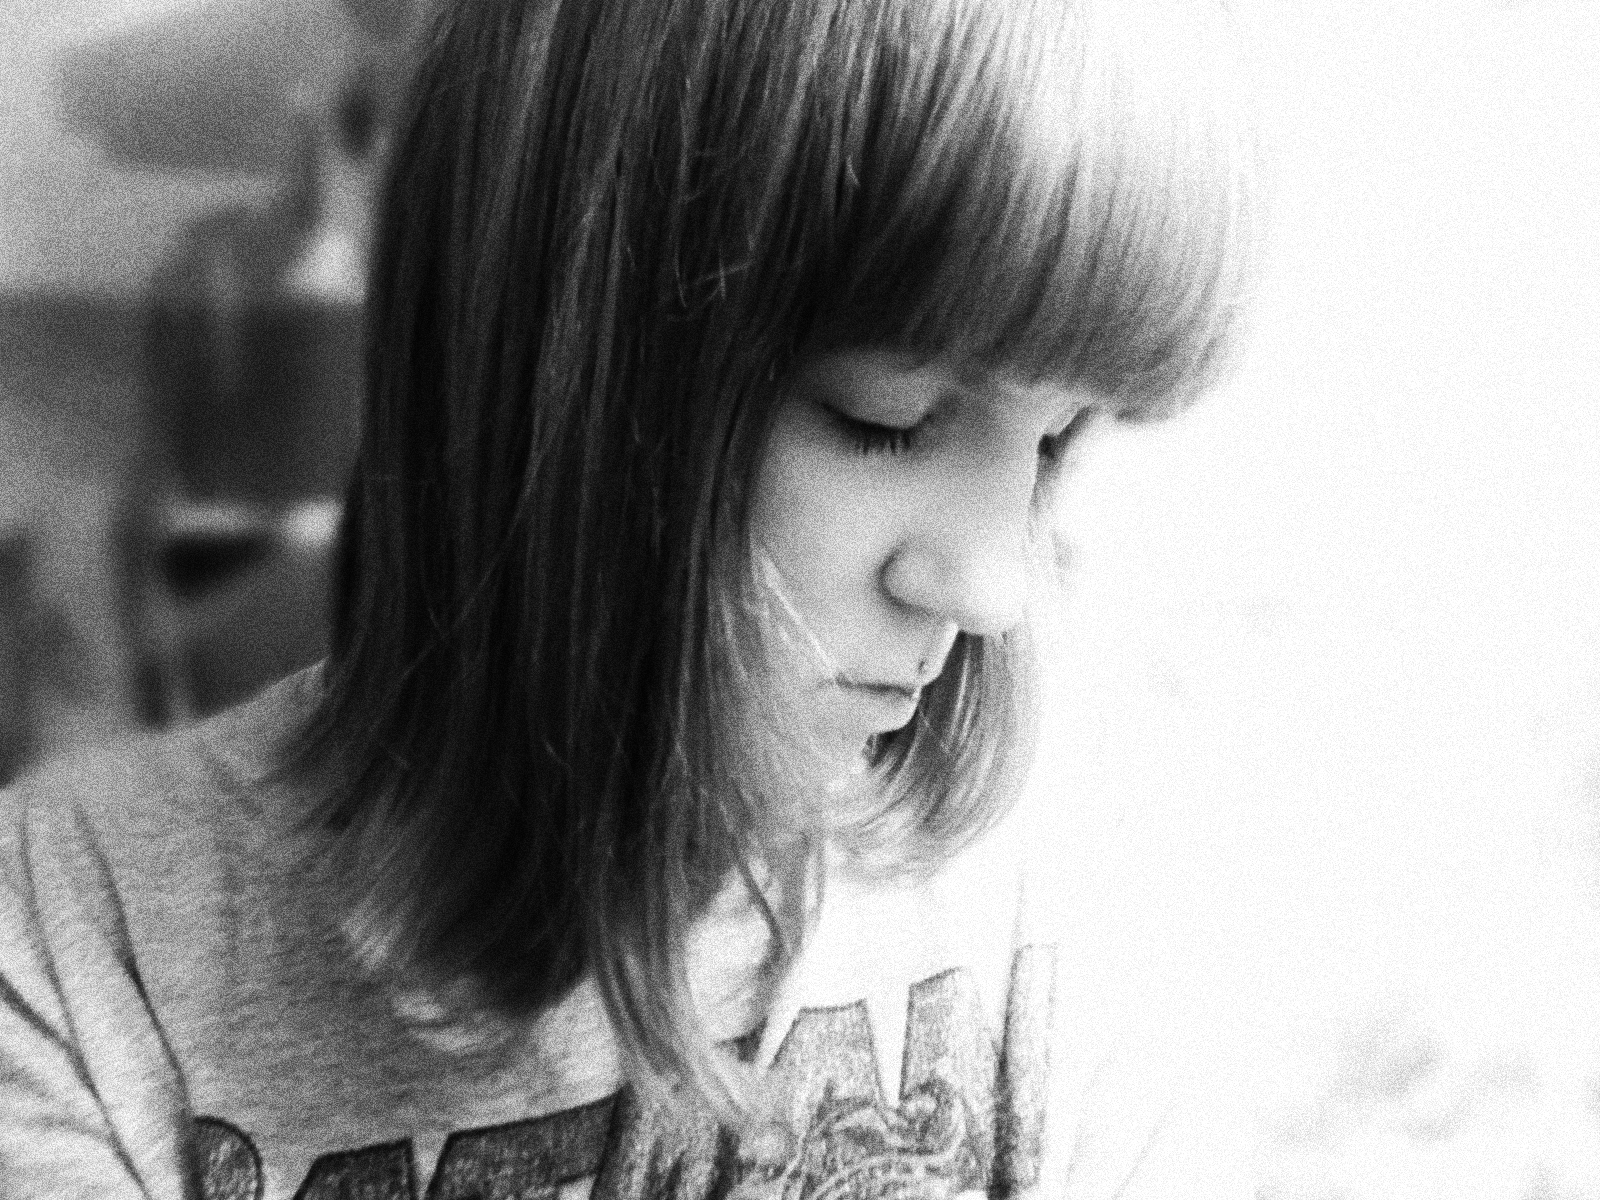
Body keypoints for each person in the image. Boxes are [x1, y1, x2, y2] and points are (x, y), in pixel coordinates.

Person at [0, 0, 1256, 1195]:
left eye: (1060, 440)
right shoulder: (75, 945)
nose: (989, 588)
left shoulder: (1072, 887)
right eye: (886, 418)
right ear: (571, 361)